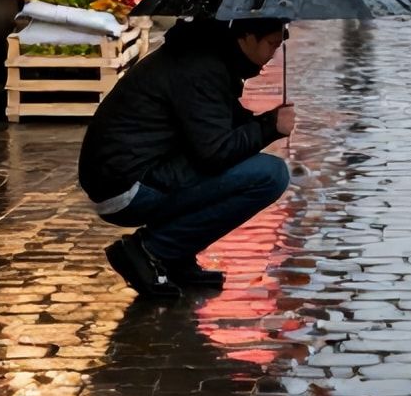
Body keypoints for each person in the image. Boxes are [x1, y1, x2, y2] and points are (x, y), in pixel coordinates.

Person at [78, 16, 293, 298]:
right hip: (126, 187)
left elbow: (215, 126)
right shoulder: (202, 68)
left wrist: (265, 122)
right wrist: (269, 127)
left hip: (137, 172)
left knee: (250, 170)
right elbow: (215, 153)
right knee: (270, 175)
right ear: (247, 37)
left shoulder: (208, 57)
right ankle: (152, 250)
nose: (272, 55)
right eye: (271, 44)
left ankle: (175, 255)